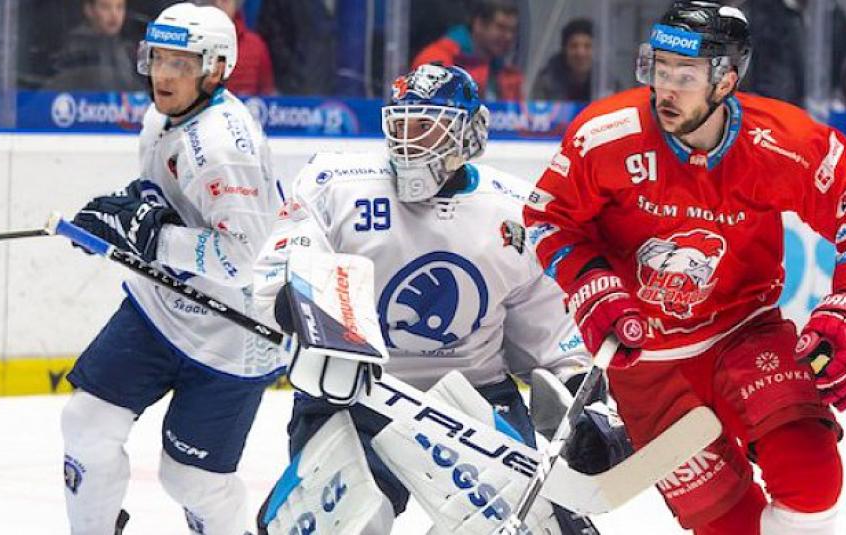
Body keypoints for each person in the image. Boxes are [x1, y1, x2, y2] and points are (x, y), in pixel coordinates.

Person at [525, 1, 846, 533]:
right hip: (643, 364)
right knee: (729, 525)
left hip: (743, 334)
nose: (666, 89)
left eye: (684, 76)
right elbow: (548, 219)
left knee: (811, 478)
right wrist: (592, 285)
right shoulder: (605, 135)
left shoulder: (782, 142)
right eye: (659, 70)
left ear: (727, 79)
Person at [252, 63, 614, 535]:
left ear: (468, 131)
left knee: (533, 526)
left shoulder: (514, 212)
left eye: (424, 126)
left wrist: (580, 395)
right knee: (331, 526)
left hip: (473, 398)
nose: (407, 141)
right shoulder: (334, 183)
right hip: (355, 392)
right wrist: (302, 310)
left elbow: (547, 335)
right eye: (399, 125)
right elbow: (282, 271)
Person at [60, 3, 281, 534]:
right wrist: (118, 220)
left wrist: (152, 237)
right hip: (161, 310)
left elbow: (244, 257)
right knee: (86, 424)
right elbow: (160, 201)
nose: (162, 74)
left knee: (191, 482)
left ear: (217, 68)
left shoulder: (223, 146)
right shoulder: (160, 118)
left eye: (181, 63)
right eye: (158, 58)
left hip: (231, 334)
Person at [412, 0, 522, 101]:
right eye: (501, 28)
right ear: (479, 24)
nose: (508, 37)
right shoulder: (436, 61)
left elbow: (521, 118)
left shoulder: (507, 73)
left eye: (512, 30)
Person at [49, 0, 142, 91]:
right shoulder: (74, 50)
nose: (114, 14)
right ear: (89, 10)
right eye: (105, 7)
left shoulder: (129, 50)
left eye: (120, 7)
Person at [201, 0, 275, 96]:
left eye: (224, 0)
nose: (218, 5)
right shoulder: (190, 44)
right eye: (212, 1)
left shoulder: (255, 46)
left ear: (236, 4)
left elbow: (268, 97)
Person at [532, 18, 594, 102]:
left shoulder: (607, 83)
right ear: (564, 51)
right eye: (574, 46)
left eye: (587, 46)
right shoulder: (546, 83)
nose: (580, 53)